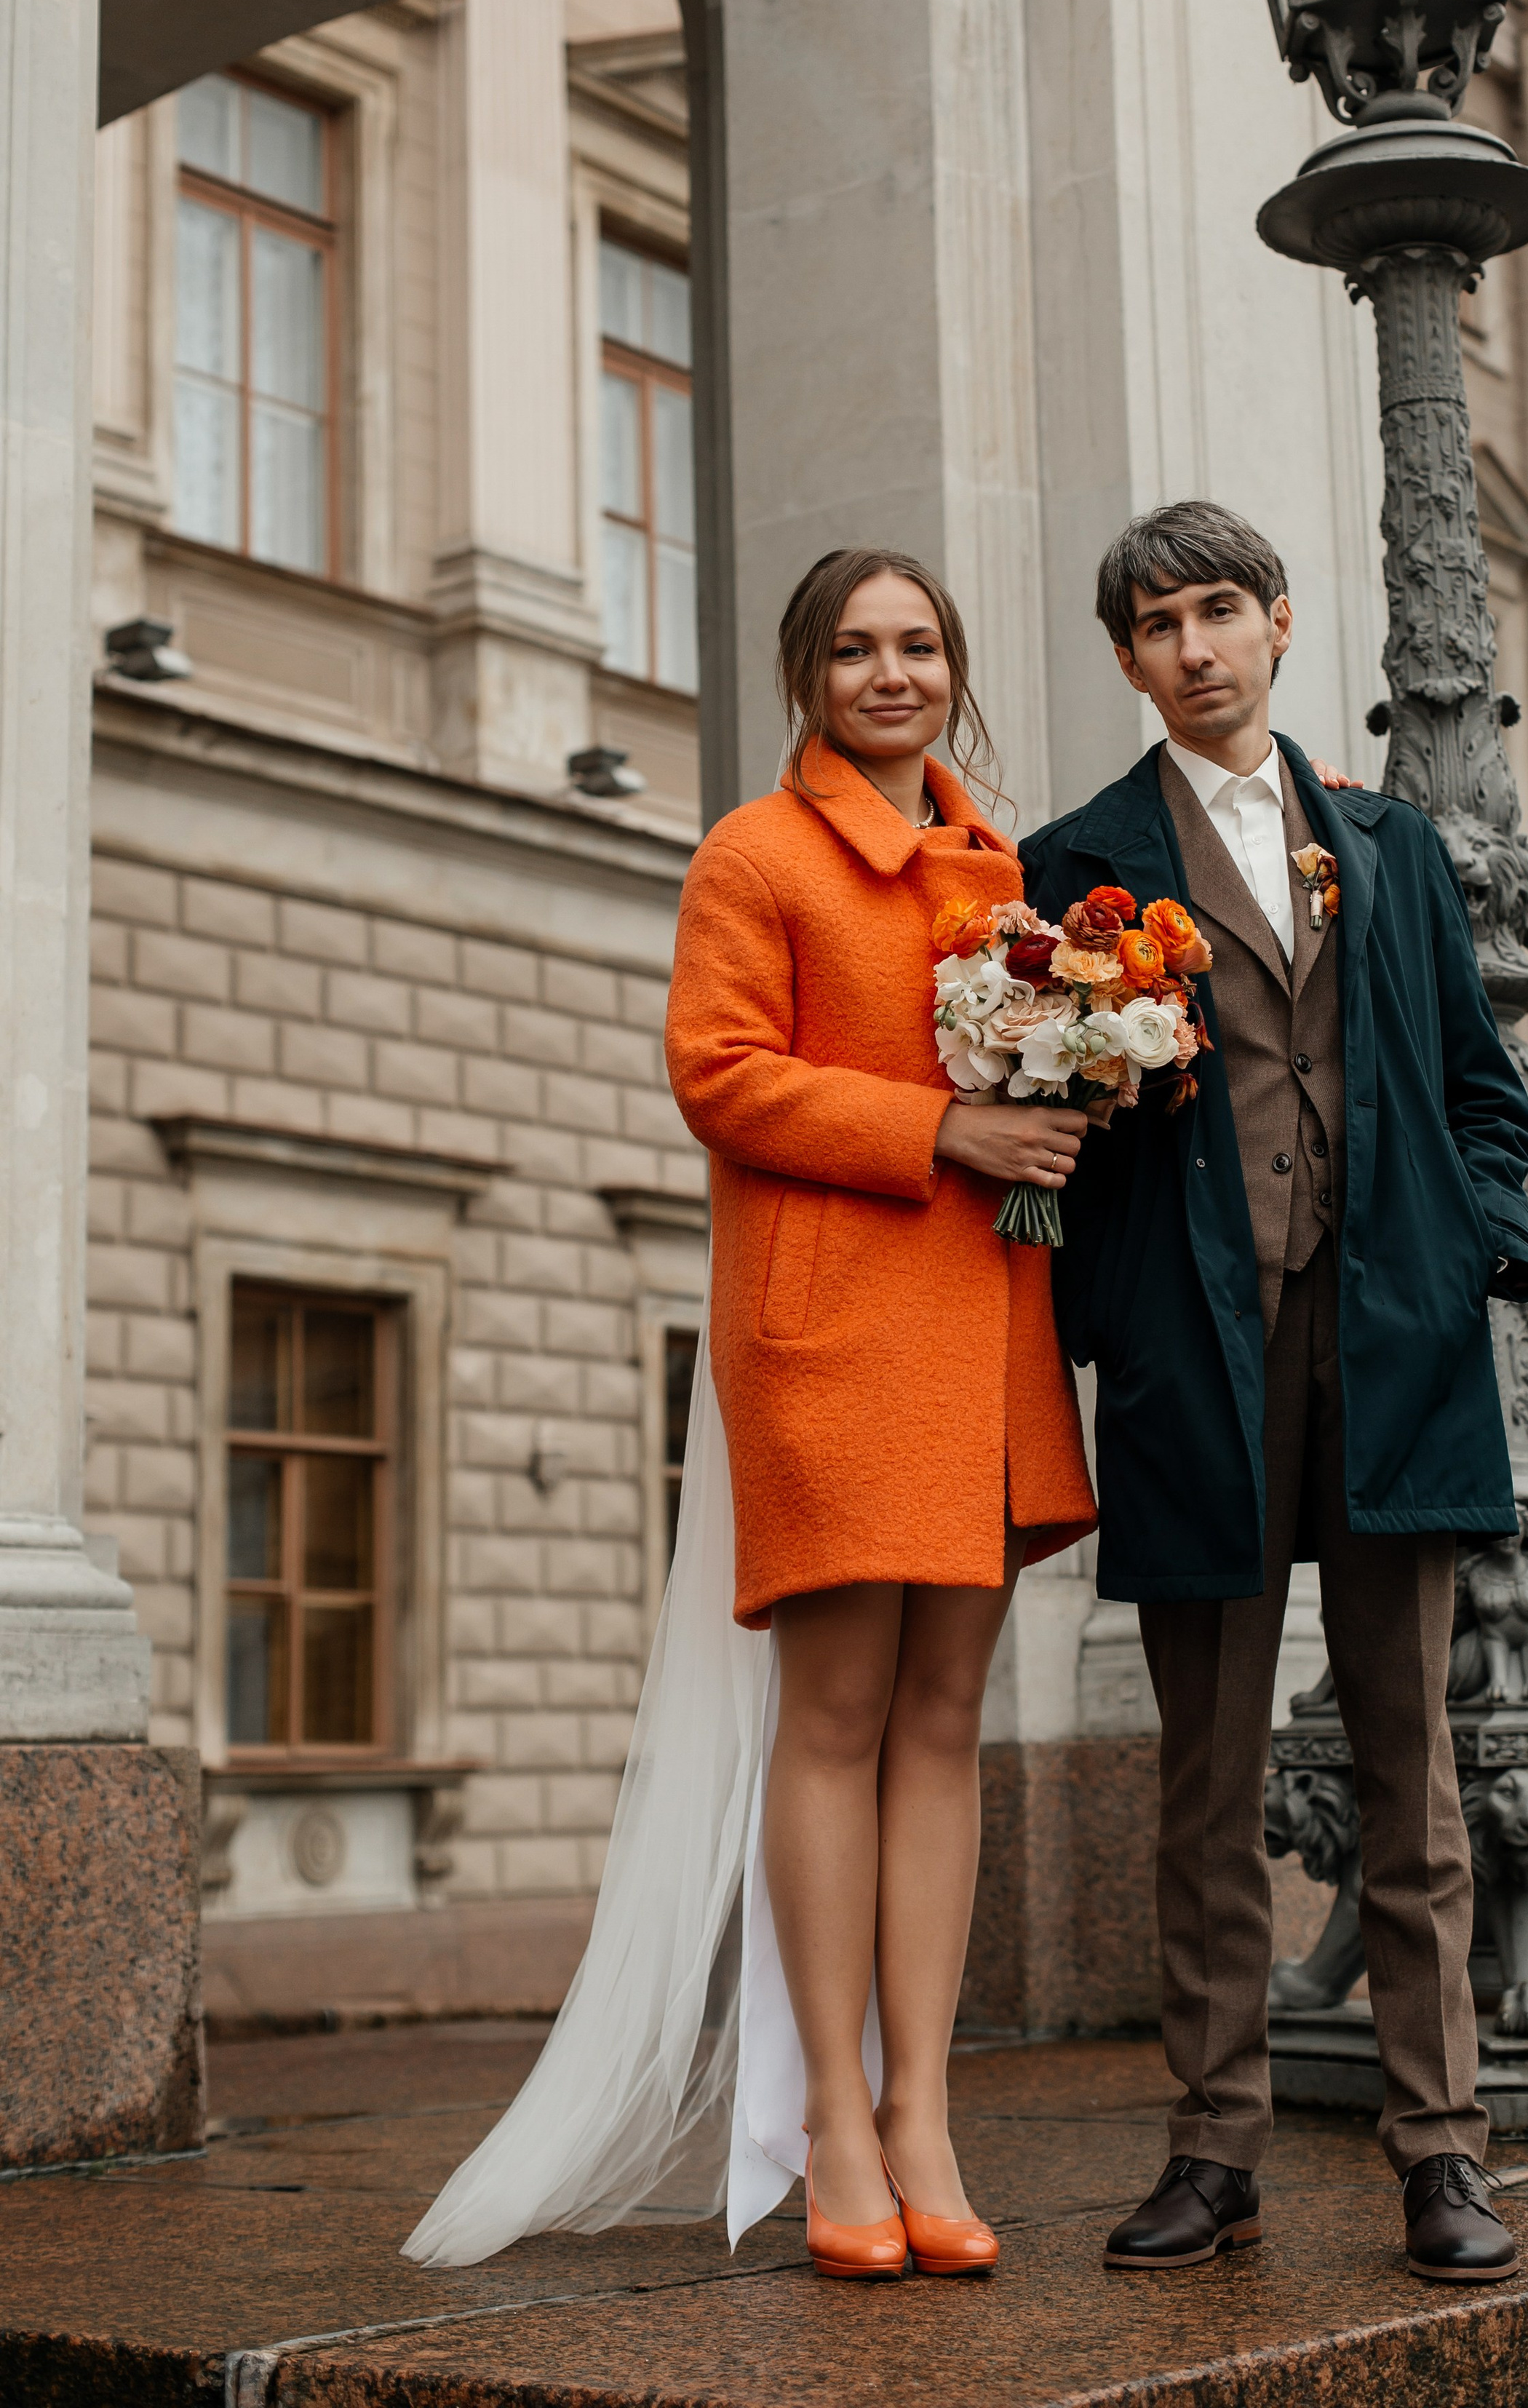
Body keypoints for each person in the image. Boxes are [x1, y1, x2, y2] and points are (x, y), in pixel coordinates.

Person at [402, 547, 1097, 2286]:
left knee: (947, 1710)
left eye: (918, 645)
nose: (889, 674)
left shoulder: (1000, 865)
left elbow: (1033, 1060)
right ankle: (833, 2131)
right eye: (854, 649)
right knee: (840, 1713)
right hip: (834, 1330)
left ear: (953, 668)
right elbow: (716, 1076)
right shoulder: (756, 852)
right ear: (803, 675)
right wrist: (939, 1132)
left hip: (988, 1321)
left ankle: (926, 2108)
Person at [1020, 500, 1528, 2287]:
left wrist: (1472, 1251)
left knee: (1412, 1782)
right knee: (1204, 1781)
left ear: (1279, 626)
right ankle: (1212, 2146)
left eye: (1220, 611)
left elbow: (1485, 1090)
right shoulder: (1072, 865)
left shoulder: (1388, 847)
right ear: (1126, 660)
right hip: (1194, 1359)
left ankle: (1439, 2152)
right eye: (1157, 624)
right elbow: (1050, 1139)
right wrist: (1113, 1315)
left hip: (1391, 1353)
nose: (1193, 646)